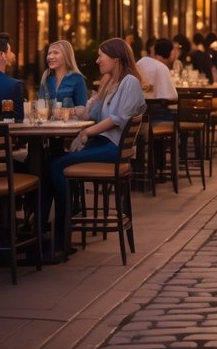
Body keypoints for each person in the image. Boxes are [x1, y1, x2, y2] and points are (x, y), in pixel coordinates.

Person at [45, 37, 147, 257]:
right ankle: (52, 229)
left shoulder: (130, 82)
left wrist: (87, 132)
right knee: (51, 162)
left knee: (55, 166)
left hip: (114, 148)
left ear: (116, 59)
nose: (97, 60)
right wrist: (80, 107)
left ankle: (61, 234)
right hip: (104, 142)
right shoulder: (110, 82)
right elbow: (92, 113)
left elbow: (117, 119)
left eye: (101, 56)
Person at [39, 40, 88, 108]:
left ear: (66, 56)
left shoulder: (77, 79)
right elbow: (41, 107)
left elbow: (83, 110)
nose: (51, 57)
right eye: (49, 53)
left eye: (56, 53)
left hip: (70, 119)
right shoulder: (46, 78)